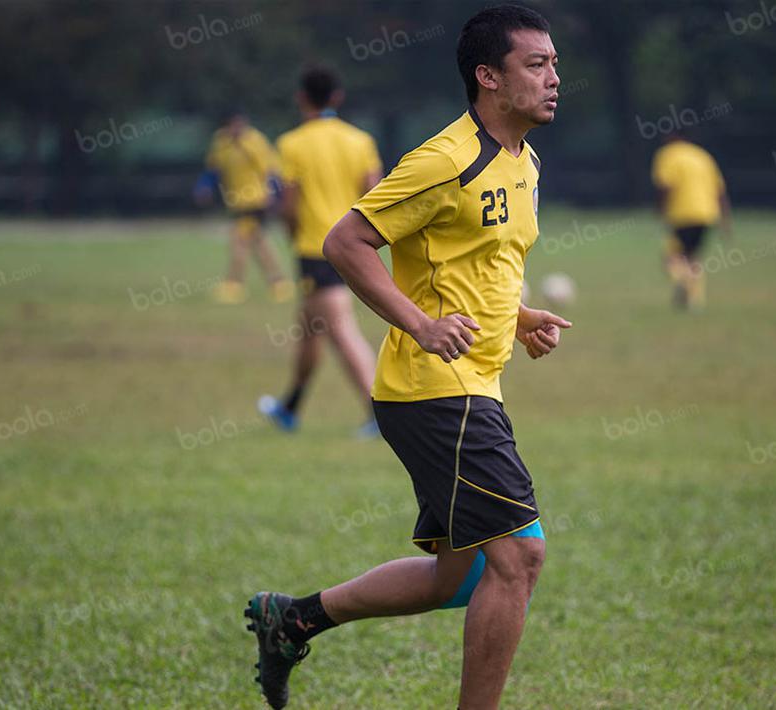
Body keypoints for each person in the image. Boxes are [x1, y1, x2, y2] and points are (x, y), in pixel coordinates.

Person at [243, 5, 570, 708]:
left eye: (554, 64)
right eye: (536, 64)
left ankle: (293, 619)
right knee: (519, 556)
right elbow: (345, 242)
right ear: (488, 76)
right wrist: (420, 324)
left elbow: (474, 262)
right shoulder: (444, 160)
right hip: (436, 390)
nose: (553, 78)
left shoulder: (525, 161)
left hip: (472, 383)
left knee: (458, 578)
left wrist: (518, 320)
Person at [258, 67, 381, 436]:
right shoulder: (361, 141)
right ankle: (290, 408)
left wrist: (292, 233)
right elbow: (375, 195)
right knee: (311, 328)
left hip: (317, 249)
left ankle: (382, 413)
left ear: (301, 98)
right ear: (337, 97)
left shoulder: (291, 144)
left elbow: (289, 205)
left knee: (341, 332)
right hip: (354, 246)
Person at [195, 111, 292, 304]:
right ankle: (279, 283)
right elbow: (214, 169)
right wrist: (204, 187)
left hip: (256, 200)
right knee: (259, 243)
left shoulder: (255, 141)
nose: (237, 129)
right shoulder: (221, 142)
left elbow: (270, 170)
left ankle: (234, 285)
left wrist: (274, 195)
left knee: (239, 242)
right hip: (236, 201)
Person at [651, 131, 731, 310]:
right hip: (707, 213)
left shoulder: (668, 154)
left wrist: (659, 208)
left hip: (681, 213)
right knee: (692, 257)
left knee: (671, 258)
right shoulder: (702, 156)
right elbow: (719, 190)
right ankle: (694, 300)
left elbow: (665, 185)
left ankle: (683, 281)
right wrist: (726, 220)